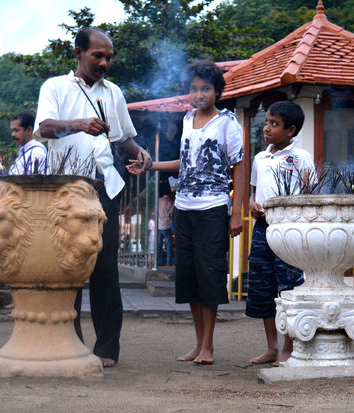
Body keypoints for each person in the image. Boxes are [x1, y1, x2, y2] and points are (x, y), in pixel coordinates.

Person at [34, 27, 151, 368]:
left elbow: (124, 138)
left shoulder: (113, 92)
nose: (104, 62)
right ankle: (71, 344)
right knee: (68, 268)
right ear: (78, 53)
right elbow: (45, 128)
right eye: (97, 55)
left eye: (108, 57)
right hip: (65, 188)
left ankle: (107, 349)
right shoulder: (55, 86)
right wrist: (80, 123)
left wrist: (139, 152)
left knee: (104, 268)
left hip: (104, 189)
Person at [128, 59, 245, 364]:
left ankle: (208, 346)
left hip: (213, 209)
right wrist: (152, 165)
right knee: (190, 277)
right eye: (193, 89)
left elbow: (239, 168)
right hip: (184, 208)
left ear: (217, 91)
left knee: (209, 275)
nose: (199, 94)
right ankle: (197, 343)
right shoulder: (187, 119)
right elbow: (186, 162)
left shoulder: (228, 122)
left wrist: (236, 214)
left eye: (205, 88)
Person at [246, 101, 312, 366]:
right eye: (266, 122)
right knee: (263, 286)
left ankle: (289, 348)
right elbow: (253, 191)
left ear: (291, 130)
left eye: (274, 124)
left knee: (288, 287)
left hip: (289, 230)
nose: (267, 128)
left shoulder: (300, 157)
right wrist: (251, 205)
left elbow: (309, 195)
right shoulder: (260, 158)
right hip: (262, 229)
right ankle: (272, 348)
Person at [157, 186, 175, 267]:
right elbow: (170, 214)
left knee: (159, 244)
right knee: (168, 244)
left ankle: (159, 262)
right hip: (166, 225)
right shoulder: (169, 201)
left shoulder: (158, 200)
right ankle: (168, 262)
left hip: (159, 225)